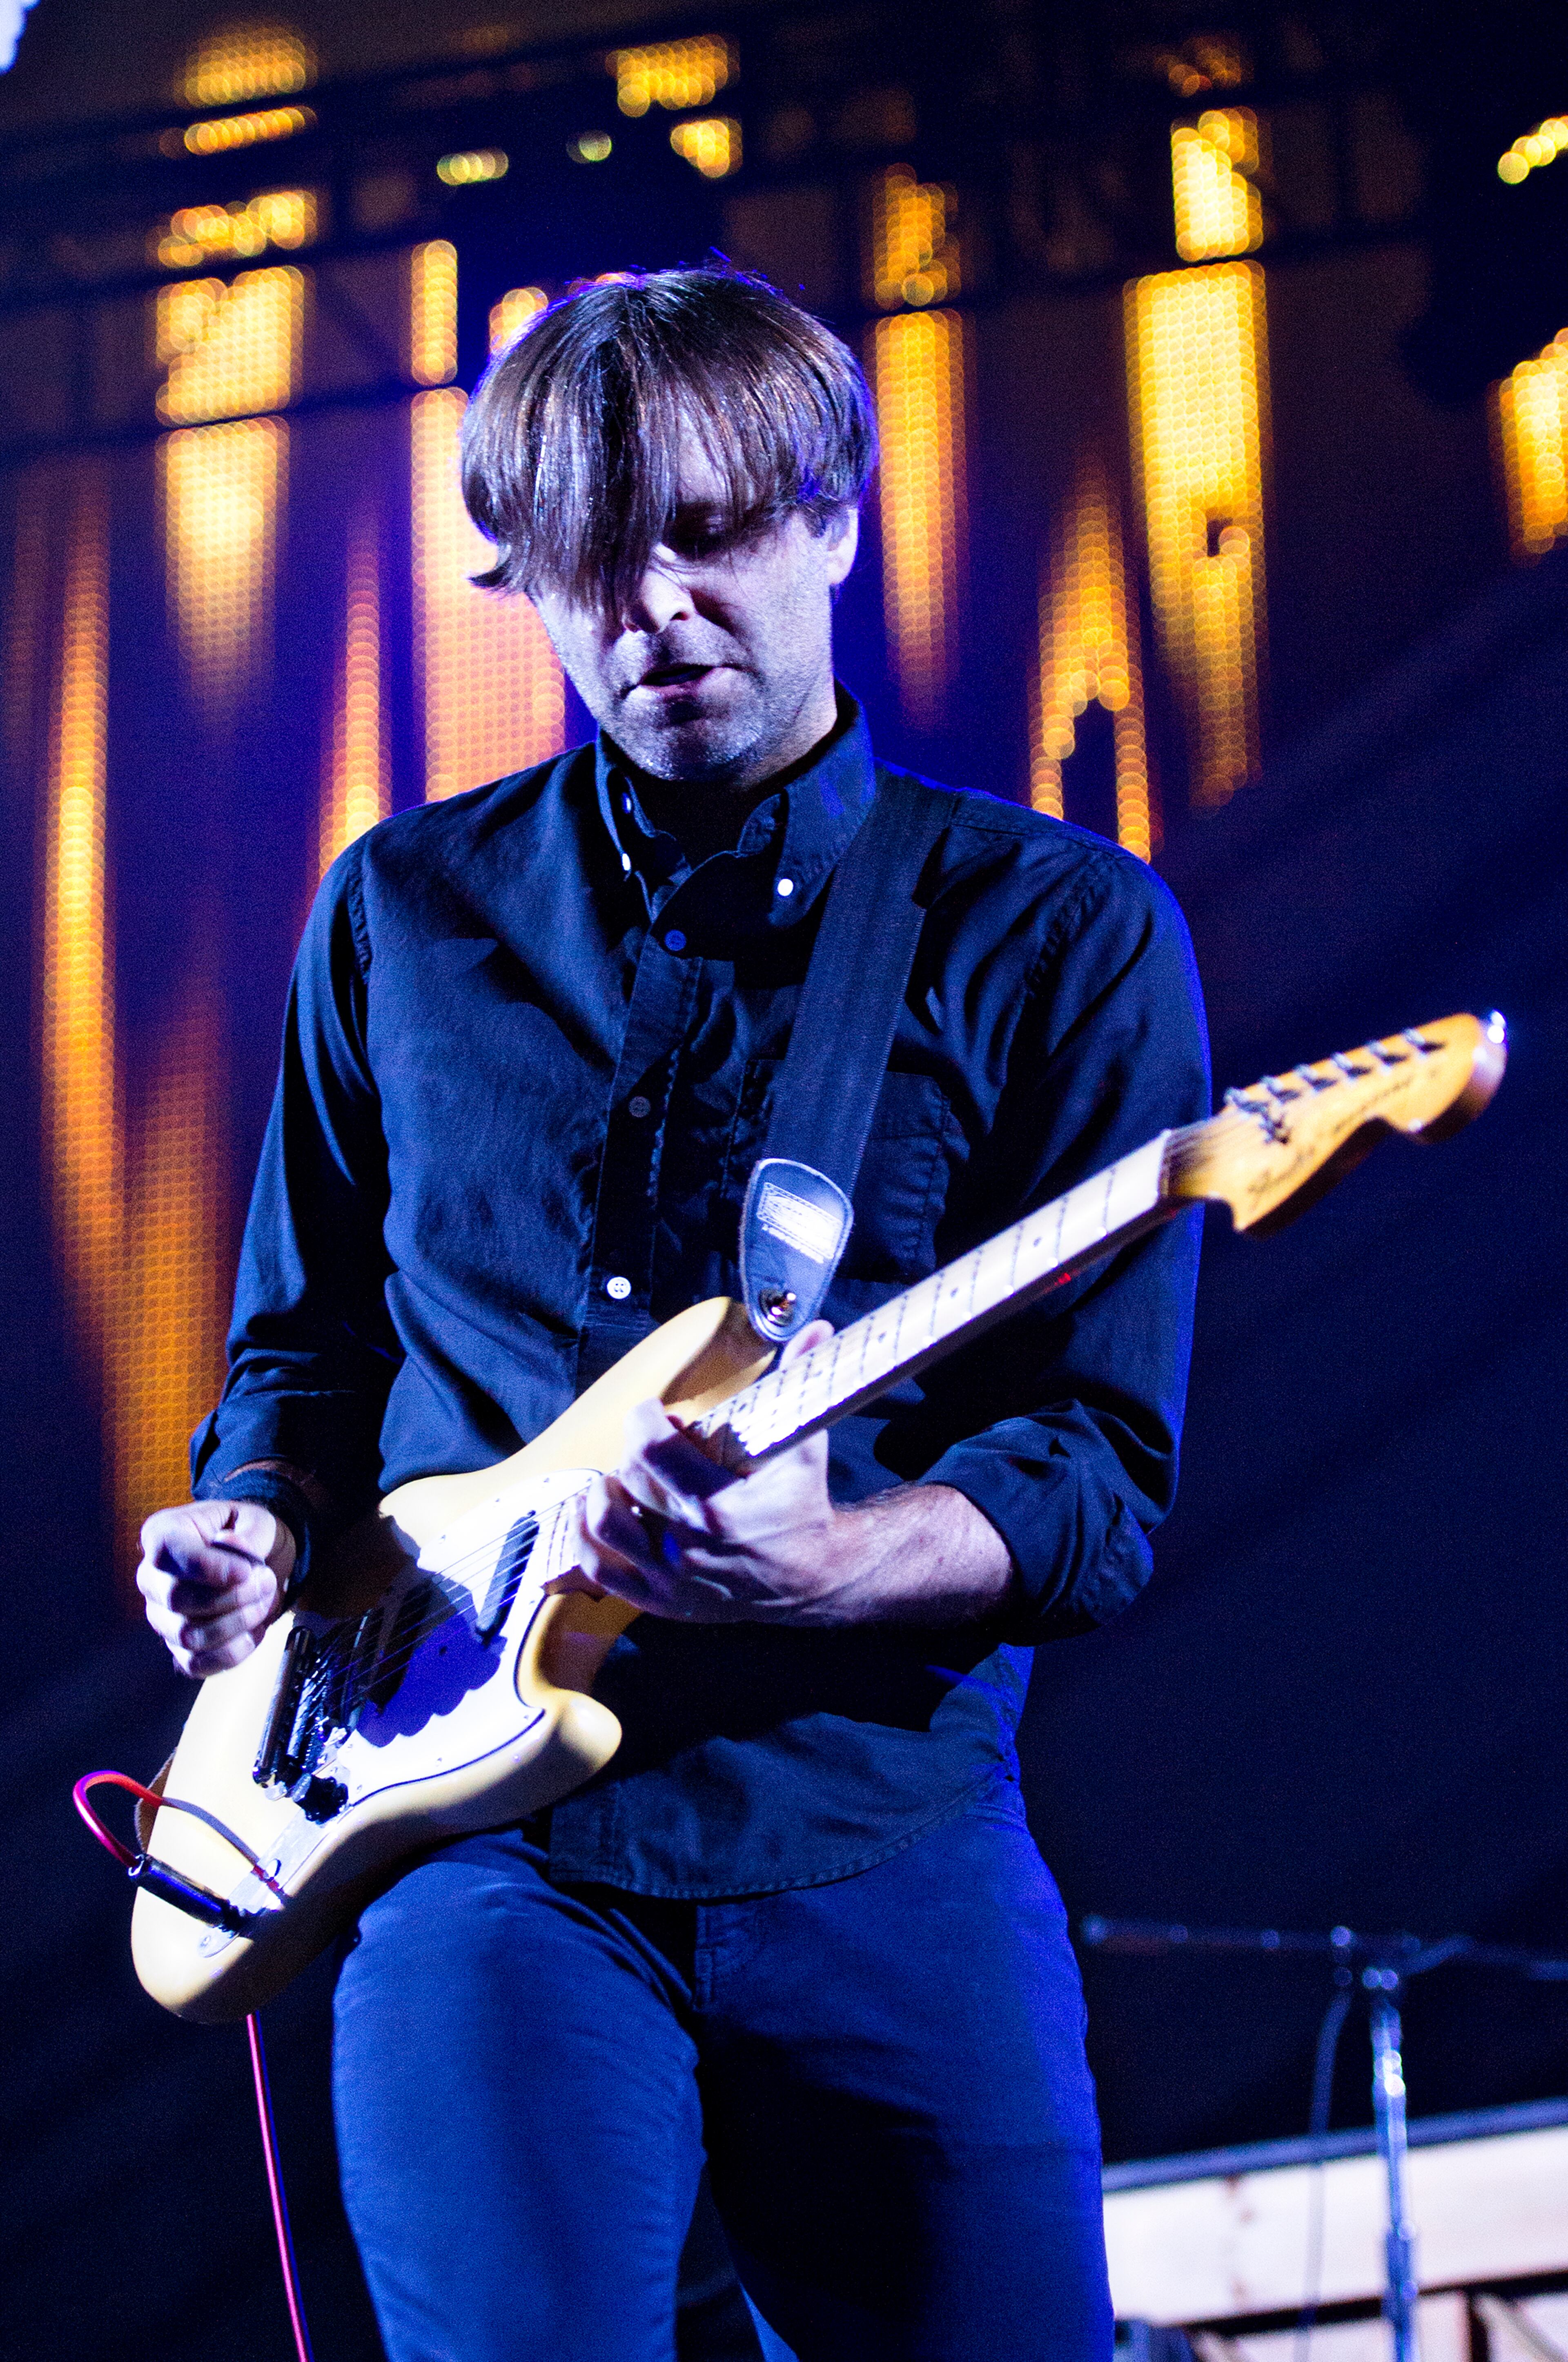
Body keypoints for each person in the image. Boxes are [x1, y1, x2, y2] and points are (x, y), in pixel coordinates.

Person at [137, 267, 1209, 2362]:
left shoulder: (1059, 934)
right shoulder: (400, 915)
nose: (653, 615)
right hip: (474, 1849)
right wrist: (251, 1518)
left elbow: (1095, 1478)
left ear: (835, 515)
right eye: (587, 566)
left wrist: (821, 1568)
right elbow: (303, 1353)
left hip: (871, 1829)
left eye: (708, 538)